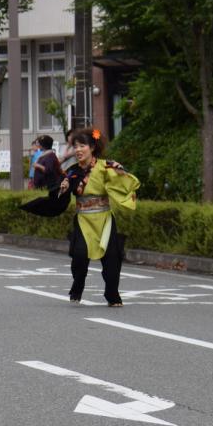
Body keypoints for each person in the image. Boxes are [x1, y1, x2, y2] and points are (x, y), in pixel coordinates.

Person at [54, 128, 140, 306]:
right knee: (79, 256)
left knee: (112, 258)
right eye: (75, 146)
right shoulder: (71, 171)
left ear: (92, 147)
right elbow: (63, 192)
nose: (78, 150)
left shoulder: (105, 167)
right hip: (83, 219)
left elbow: (122, 183)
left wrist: (121, 173)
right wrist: (63, 188)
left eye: (82, 145)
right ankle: (77, 287)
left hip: (104, 220)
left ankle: (112, 295)